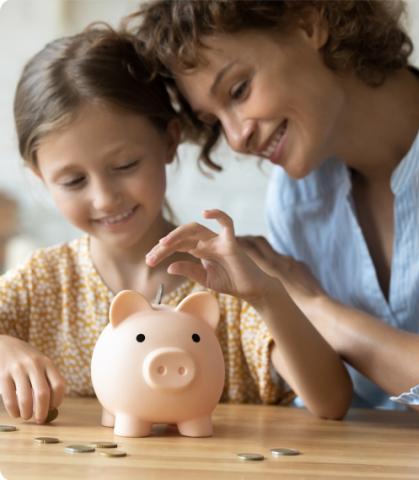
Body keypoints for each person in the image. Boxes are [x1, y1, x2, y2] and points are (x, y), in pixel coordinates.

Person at [0, 24, 351, 425]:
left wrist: (268, 296)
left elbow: (332, 402)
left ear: (169, 140)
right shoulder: (41, 285)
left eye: (125, 165)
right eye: (73, 181)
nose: (104, 198)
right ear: (40, 176)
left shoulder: (231, 282)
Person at [129, 0, 419, 433]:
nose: (238, 138)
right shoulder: (296, 194)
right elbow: (323, 399)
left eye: (239, 90)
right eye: (214, 119)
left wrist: (314, 307)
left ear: (309, 22)